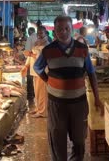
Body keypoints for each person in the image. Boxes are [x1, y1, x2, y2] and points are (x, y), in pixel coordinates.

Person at [34, 16, 102, 161]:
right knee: (57, 139)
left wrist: (97, 98)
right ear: (54, 31)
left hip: (79, 103)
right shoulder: (48, 50)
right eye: (59, 29)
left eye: (67, 28)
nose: (63, 32)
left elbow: (91, 73)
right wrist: (48, 81)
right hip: (56, 104)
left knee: (79, 140)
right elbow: (37, 67)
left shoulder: (82, 49)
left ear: (72, 29)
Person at [21, 26, 50, 118]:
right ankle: (39, 108)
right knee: (36, 91)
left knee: (42, 92)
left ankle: (43, 112)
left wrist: (30, 54)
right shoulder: (36, 43)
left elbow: (42, 57)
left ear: (45, 33)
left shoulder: (47, 44)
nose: (39, 35)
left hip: (42, 71)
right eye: (38, 33)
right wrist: (26, 66)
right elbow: (30, 55)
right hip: (34, 71)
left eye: (41, 33)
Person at [24, 27, 37, 101]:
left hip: (32, 63)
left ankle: (30, 96)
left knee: (30, 79)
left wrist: (28, 54)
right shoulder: (40, 38)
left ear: (29, 32)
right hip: (40, 65)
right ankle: (34, 96)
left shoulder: (30, 38)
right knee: (37, 84)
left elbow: (26, 53)